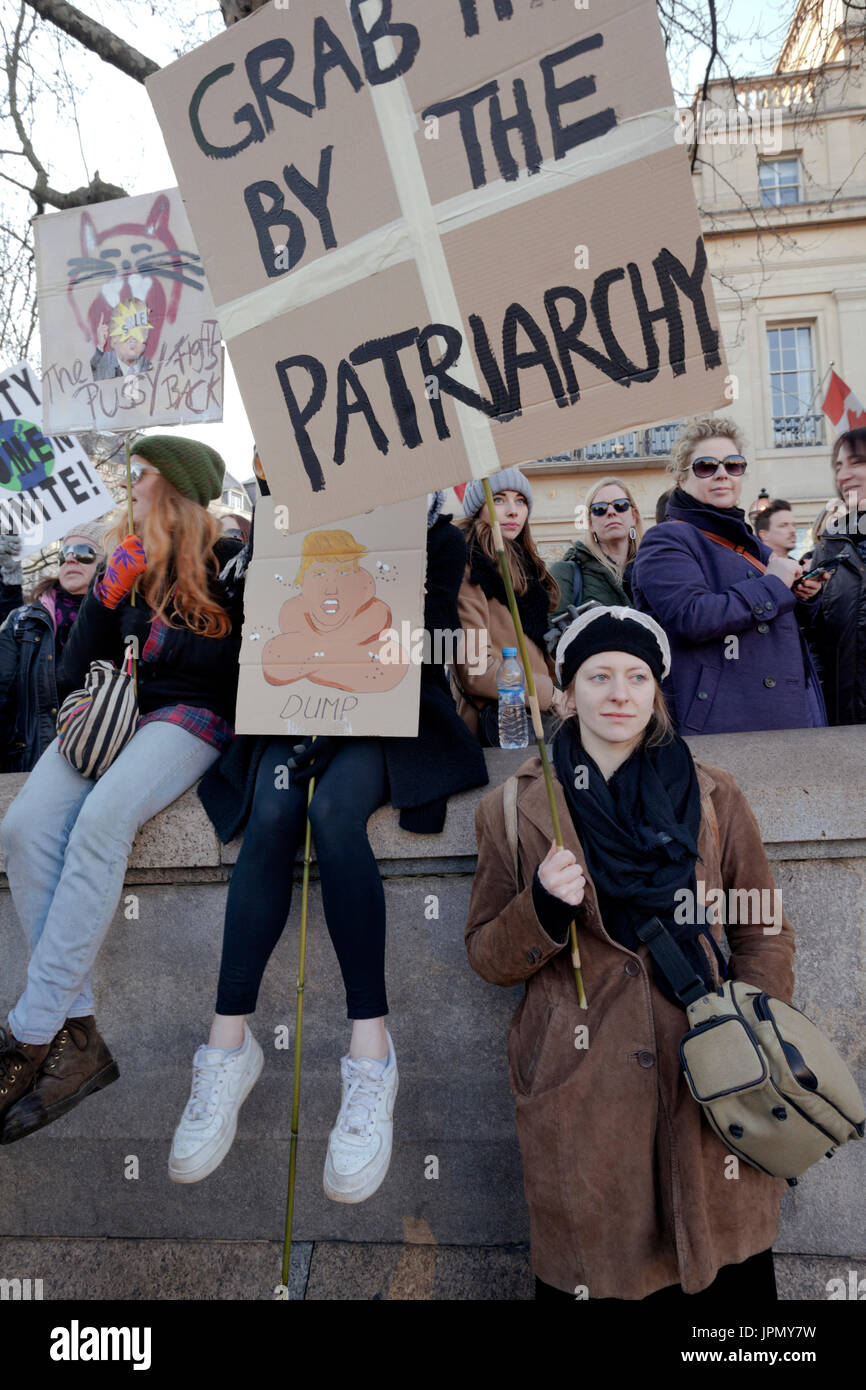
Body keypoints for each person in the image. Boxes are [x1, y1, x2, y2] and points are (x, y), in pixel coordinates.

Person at [465, 604, 796, 1301]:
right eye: (599, 676)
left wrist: (758, 1031)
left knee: (725, 1284)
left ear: (657, 691)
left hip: (711, 1073)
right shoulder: (513, 807)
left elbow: (762, 927)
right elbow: (490, 957)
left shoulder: (713, 795)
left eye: (637, 677)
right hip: (581, 1087)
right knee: (600, 1265)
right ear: (567, 690)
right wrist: (542, 907)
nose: (620, 693)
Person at [168, 488, 488, 1198]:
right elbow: (260, 635)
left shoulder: (439, 535)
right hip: (293, 708)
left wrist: (344, 706)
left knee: (337, 814)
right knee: (275, 806)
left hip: (390, 713)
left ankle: (371, 1055)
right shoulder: (290, 522)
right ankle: (227, 1045)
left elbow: (429, 641)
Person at [0, 435, 244, 1144]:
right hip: (109, 713)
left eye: (141, 477)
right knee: (23, 828)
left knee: (103, 822)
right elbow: (75, 673)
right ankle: (76, 1037)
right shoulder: (119, 562)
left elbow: (221, 668)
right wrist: (107, 600)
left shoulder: (228, 562)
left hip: (190, 716)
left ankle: (28, 1034)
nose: (130, 488)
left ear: (173, 488)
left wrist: (169, 593)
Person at [631, 418, 827, 735]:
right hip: (721, 723)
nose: (722, 474)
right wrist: (773, 586)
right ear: (682, 478)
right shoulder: (666, 539)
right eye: (706, 466)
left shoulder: (751, 544)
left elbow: (782, 626)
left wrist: (805, 595)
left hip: (790, 714)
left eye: (733, 465)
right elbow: (691, 616)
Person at [453, 468, 566, 745]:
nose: (513, 511)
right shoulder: (470, 568)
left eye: (520, 500)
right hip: (499, 726)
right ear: (478, 508)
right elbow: (476, 671)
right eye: (499, 499)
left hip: (534, 720)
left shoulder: (524, 567)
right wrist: (549, 694)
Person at [0, 523, 105, 773]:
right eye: (64, 553)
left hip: (99, 764)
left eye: (83, 553)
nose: (70, 559)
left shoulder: (122, 617)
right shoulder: (22, 620)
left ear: (107, 563)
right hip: (30, 764)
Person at [807, 427, 866, 725]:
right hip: (845, 717)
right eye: (839, 466)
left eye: (856, 462)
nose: (843, 475)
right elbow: (814, 636)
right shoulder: (829, 546)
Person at [551, 477, 643, 615]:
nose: (612, 512)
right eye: (600, 508)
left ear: (634, 517)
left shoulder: (654, 567)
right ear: (590, 524)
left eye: (621, 505)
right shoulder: (566, 572)